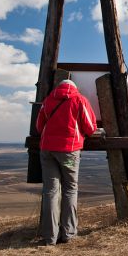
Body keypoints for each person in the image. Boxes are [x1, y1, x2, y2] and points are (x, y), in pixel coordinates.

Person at [36, 79, 97, 246]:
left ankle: (49, 237)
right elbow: (90, 127)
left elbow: (39, 126)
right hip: (69, 151)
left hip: (47, 150)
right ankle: (68, 233)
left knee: (50, 191)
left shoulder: (48, 100)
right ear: (74, 88)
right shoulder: (79, 99)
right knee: (70, 189)